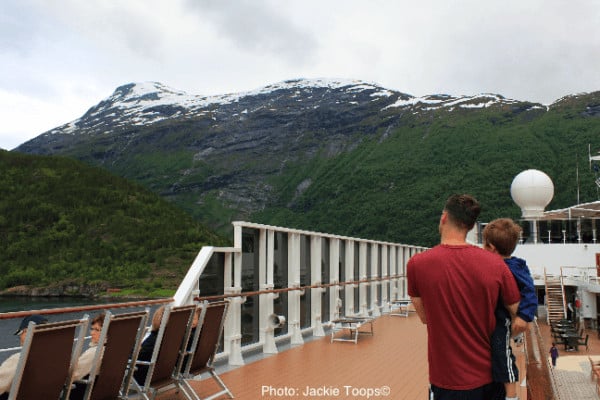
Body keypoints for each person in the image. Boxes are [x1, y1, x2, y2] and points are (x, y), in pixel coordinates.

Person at [407, 194, 521, 400]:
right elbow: (516, 312)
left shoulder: (417, 264)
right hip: (490, 379)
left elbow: (425, 317)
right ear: (470, 226)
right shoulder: (496, 265)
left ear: (444, 217)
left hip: (445, 380)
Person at [483, 218, 537, 400]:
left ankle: (511, 395)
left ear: (490, 247)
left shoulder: (513, 268)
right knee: (495, 353)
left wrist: (524, 316)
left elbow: (529, 293)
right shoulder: (509, 266)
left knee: (502, 354)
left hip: (502, 319)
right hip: (493, 318)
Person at [0, 315, 48, 399]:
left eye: (20, 333)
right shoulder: (58, 356)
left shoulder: (19, 359)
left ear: (27, 332)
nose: (19, 337)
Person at [69, 313, 106, 400]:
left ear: (107, 333)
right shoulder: (114, 350)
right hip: (100, 394)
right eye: (92, 329)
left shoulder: (95, 352)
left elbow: (72, 375)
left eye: (97, 330)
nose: (92, 333)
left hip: (78, 394)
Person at [133, 306, 165, 385]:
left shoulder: (153, 340)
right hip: (163, 373)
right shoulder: (170, 337)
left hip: (145, 376)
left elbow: (137, 358)